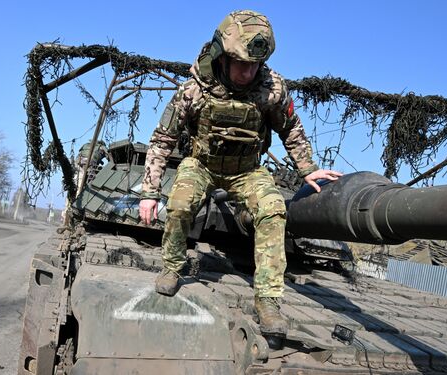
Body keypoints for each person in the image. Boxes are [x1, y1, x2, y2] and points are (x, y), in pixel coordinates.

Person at [139, 10, 342, 335]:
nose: (248, 72)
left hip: (247, 171)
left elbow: (291, 128)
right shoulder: (194, 90)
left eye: (255, 64)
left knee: (274, 210)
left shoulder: (272, 89)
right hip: (201, 164)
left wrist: (308, 169)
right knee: (179, 204)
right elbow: (162, 140)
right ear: (223, 55)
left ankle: (267, 299)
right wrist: (149, 193)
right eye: (241, 63)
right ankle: (173, 267)